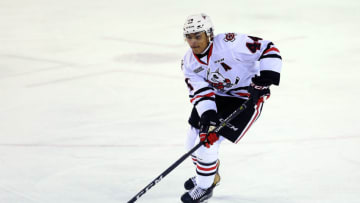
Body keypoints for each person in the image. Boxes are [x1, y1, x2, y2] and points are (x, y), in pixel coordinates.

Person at [180, 13, 282, 202]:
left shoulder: (230, 43)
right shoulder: (189, 62)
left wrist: (266, 78)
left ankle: (204, 187)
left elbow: (268, 48)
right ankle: (209, 173)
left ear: (209, 34)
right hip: (217, 98)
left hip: (245, 98)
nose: (193, 42)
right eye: (189, 37)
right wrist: (208, 118)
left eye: (198, 36)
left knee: (206, 147)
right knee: (191, 142)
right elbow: (201, 92)